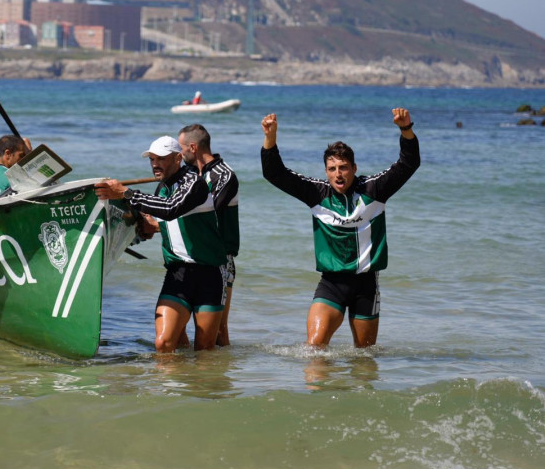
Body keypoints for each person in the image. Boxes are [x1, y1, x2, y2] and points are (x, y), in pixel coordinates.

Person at [260, 108, 420, 348]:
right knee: (314, 348)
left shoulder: (374, 190)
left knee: (364, 362)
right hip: (331, 284)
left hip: (366, 285)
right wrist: (270, 138)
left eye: (343, 167)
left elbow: (408, 163)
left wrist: (405, 129)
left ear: (354, 168)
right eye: (333, 169)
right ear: (326, 172)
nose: (338, 174)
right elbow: (275, 173)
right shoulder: (316, 193)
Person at [95, 136, 228, 352]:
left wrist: (126, 193)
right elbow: (163, 220)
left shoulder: (196, 183)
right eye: (152, 159)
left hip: (210, 273)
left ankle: (200, 385)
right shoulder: (163, 188)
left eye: (161, 159)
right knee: (164, 343)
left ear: (177, 158)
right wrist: (143, 225)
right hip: (178, 273)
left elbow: (171, 208)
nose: (155, 164)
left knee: (204, 349)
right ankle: (168, 385)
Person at [178, 124, 239, 347]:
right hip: (192, 256)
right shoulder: (190, 173)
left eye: (182, 149)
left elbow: (209, 213)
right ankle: (189, 377)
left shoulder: (225, 175)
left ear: (193, 147)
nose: (180, 154)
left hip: (220, 259)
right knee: (179, 327)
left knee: (218, 331)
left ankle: (216, 379)